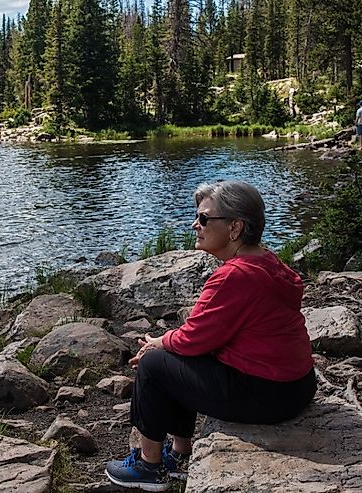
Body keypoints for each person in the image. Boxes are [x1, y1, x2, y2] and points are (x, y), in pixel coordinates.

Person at [104, 181, 317, 492]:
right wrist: (169, 343)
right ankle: (179, 453)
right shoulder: (267, 261)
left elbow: (190, 339)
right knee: (175, 356)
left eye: (204, 219)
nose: (195, 225)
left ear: (235, 227)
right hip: (297, 386)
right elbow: (203, 336)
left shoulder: (235, 276)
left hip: (268, 396)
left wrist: (155, 344)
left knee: (154, 364)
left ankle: (149, 468)